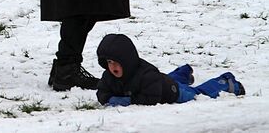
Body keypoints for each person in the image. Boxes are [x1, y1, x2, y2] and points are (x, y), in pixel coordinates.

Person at [96, 34, 246, 106]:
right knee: (166, 79)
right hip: (161, 82)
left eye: (117, 62)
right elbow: (101, 92)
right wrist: (109, 98)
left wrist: (126, 101)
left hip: (172, 92)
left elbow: (151, 99)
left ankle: (225, 82)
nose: (112, 67)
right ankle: (183, 73)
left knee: (198, 94)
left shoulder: (147, 76)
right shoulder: (109, 76)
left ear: (127, 61)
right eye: (109, 62)